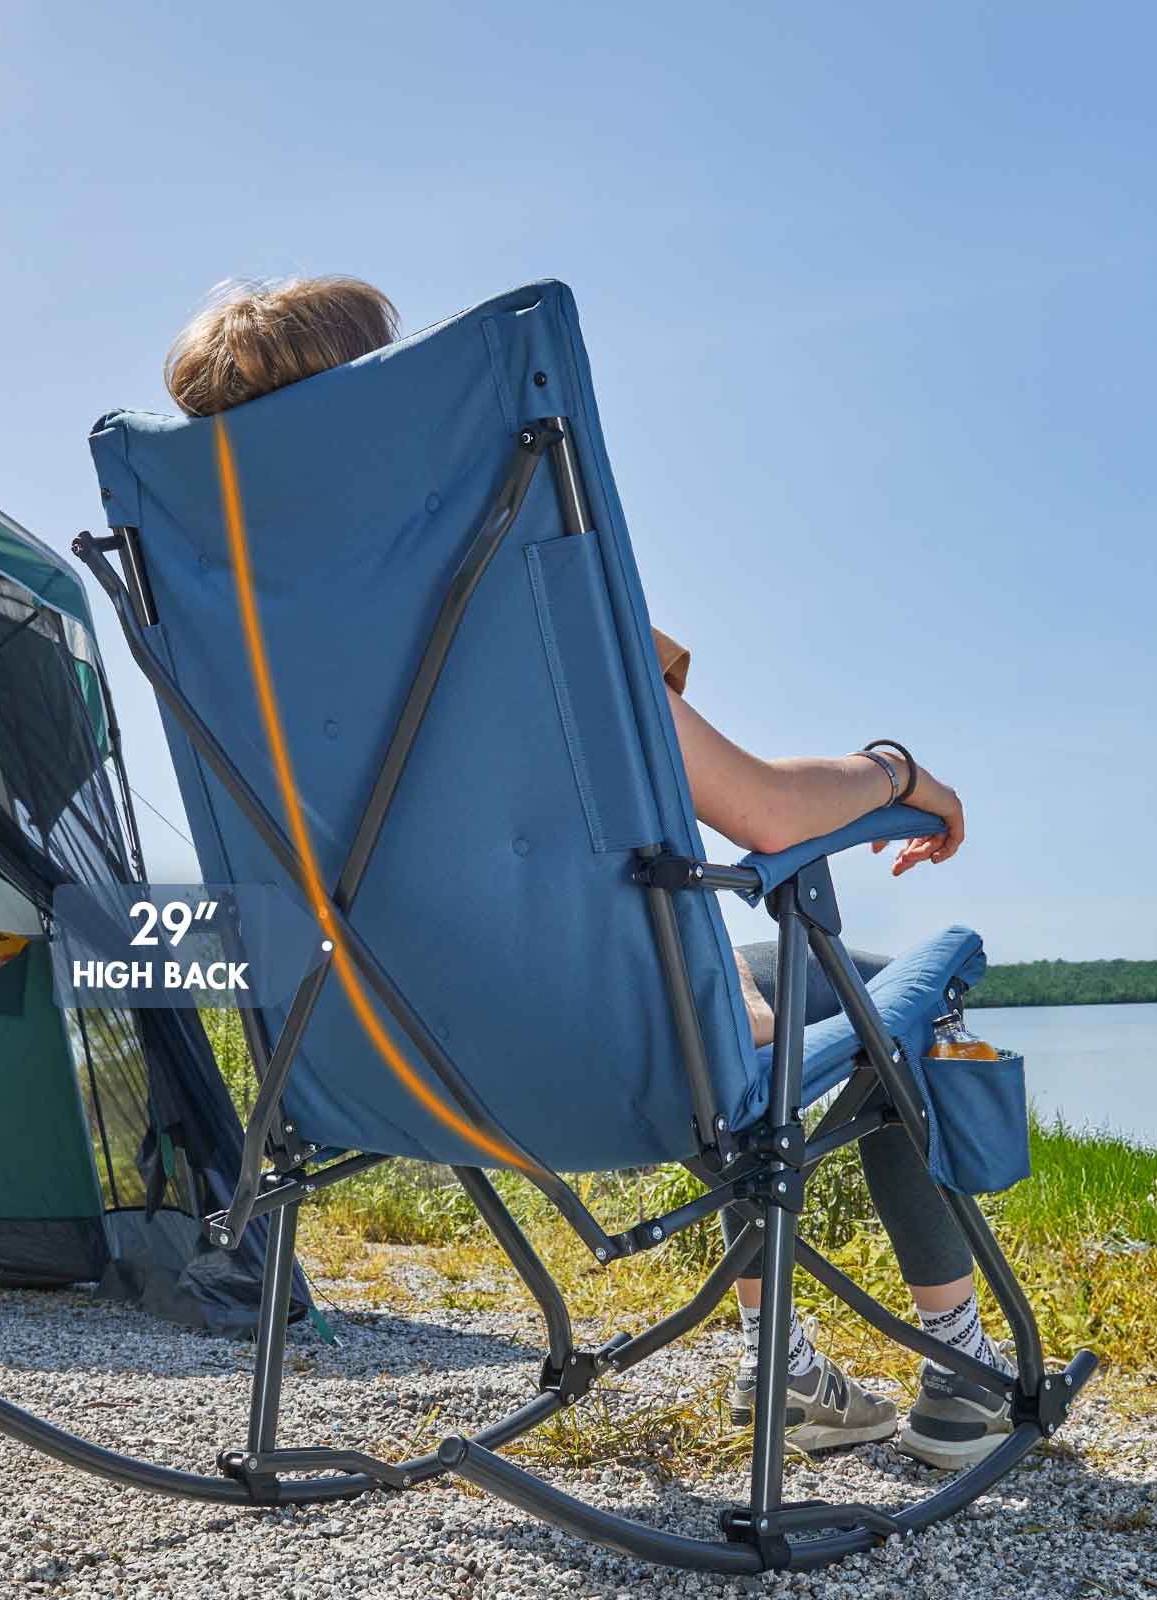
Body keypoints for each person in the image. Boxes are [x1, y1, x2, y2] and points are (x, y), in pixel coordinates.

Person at [164, 276, 1017, 1470]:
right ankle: (959, 1368)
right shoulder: (525, 604)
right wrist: (896, 770)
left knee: (798, 979)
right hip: (619, 1058)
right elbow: (768, 812)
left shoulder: (225, 658)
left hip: (374, 1066)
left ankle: (792, 1369)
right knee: (891, 1002)